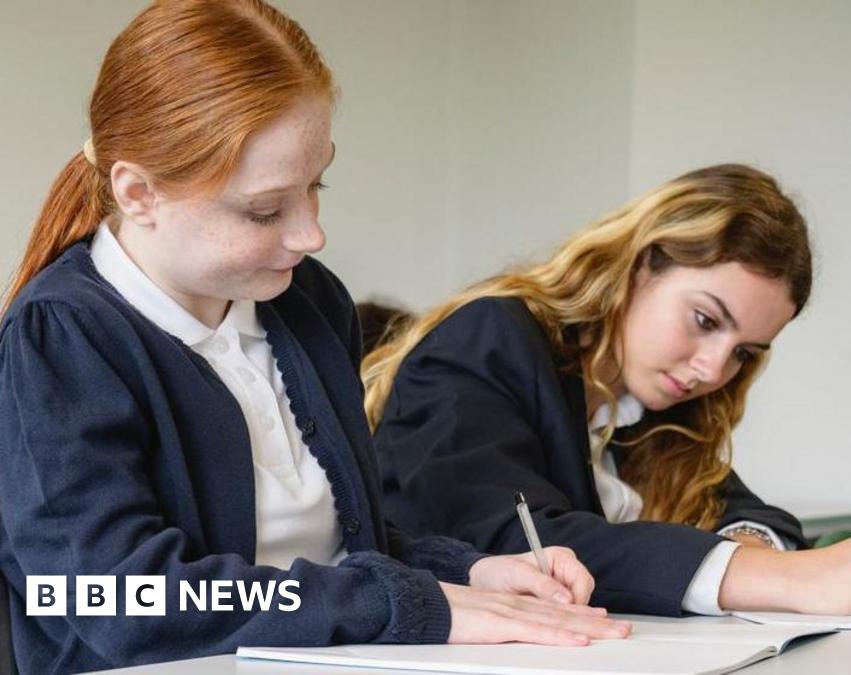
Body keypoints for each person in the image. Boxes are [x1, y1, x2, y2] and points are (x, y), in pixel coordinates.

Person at [0, 2, 625, 673]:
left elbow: (342, 550)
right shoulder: (60, 337)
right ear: (139, 192)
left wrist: (470, 572)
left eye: (315, 184)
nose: (310, 236)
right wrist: (411, 604)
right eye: (266, 209)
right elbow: (114, 595)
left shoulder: (308, 303)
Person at [364, 163, 851, 618]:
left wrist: (748, 541)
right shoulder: (492, 338)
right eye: (706, 321)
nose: (713, 369)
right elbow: (513, 540)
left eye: (744, 352)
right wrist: (778, 576)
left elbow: (745, 510)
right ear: (639, 266)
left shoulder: (651, 409)